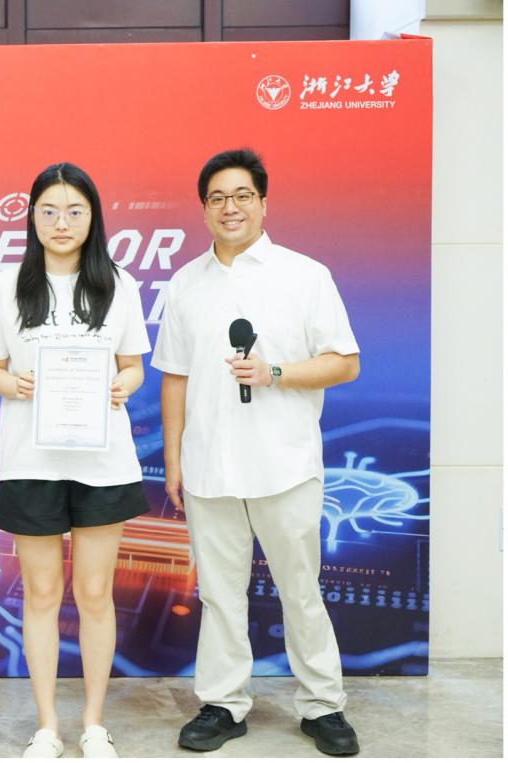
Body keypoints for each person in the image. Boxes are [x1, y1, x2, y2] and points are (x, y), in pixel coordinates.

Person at [152, 148, 361, 756]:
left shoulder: (305, 275)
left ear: (263, 204)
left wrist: (275, 373)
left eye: (242, 195)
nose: (230, 207)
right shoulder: (185, 283)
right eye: (217, 198)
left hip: (285, 464)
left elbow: (344, 362)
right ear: (204, 209)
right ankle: (223, 703)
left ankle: (322, 705)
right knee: (219, 594)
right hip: (209, 466)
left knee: (300, 590)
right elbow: (174, 376)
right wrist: (174, 458)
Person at [0, 163, 151, 759]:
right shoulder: (6, 286)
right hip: (31, 462)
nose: (61, 222)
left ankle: (94, 725)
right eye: (48, 211)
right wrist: (15, 384)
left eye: (75, 211)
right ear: (31, 217)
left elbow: (134, 366)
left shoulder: (118, 283)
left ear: (93, 217)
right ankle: (47, 725)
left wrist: (122, 384)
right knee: (42, 594)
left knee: (95, 593)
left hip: (102, 462)